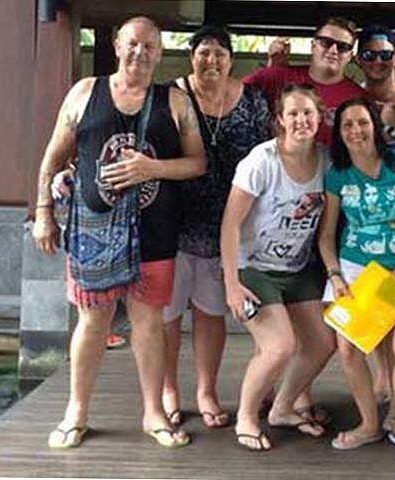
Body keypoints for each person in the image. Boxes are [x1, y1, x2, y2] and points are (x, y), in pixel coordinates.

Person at [32, 16, 205, 449]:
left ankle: (153, 413)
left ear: (160, 53)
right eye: (132, 43)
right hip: (93, 230)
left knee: (149, 323)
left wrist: (153, 168)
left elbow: (197, 163)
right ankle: (76, 412)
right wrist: (43, 212)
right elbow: (52, 158)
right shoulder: (84, 92)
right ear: (116, 45)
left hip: (154, 231)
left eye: (149, 46)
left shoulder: (175, 101)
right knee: (92, 321)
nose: (139, 52)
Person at [160, 25, 272, 430]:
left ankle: (206, 390)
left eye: (220, 53)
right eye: (204, 52)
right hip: (173, 223)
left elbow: (268, 153)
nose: (212, 60)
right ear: (191, 57)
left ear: (231, 59)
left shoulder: (253, 100)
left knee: (211, 312)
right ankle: (168, 389)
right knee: (168, 314)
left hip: (230, 226)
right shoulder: (170, 96)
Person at [220, 84, 336, 451]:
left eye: (308, 113)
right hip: (253, 267)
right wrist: (231, 284)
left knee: (322, 343)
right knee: (278, 347)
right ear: (280, 120)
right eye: (293, 113)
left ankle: (283, 407)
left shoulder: (326, 161)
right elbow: (230, 224)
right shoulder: (262, 160)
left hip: (297, 267)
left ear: (320, 117)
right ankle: (246, 416)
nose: (301, 120)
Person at [318, 97, 395, 458]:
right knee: (349, 348)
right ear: (339, 133)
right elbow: (326, 235)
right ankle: (369, 423)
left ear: (374, 125)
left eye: (363, 122)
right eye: (347, 125)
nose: (356, 131)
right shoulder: (337, 173)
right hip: (354, 268)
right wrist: (335, 276)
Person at [244, 16, 366, 146]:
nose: (333, 50)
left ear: (350, 56)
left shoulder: (360, 98)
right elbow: (233, 93)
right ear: (313, 46)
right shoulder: (276, 76)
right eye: (326, 42)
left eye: (343, 47)